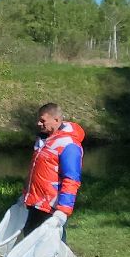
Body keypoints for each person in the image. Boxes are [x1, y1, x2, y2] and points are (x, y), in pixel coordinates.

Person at [21, 102, 84, 240]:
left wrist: (63, 210)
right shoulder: (44, 140)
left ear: (56, 120)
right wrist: (25, 194)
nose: (38, 123)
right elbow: (35, 172)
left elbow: (72, 179)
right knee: (29, 241)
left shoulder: (69, 145)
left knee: (52, 247)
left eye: (42, 120)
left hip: (51, 207)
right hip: (35, 203)